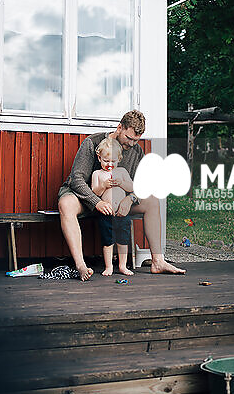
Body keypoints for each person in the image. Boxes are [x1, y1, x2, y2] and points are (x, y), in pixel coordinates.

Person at [57, 110, 186, 281]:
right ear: (119, 128)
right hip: (87, 197)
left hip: (117, 200)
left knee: (152, 201)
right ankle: (81, 266)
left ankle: (158, 261)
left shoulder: (136, 151)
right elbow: (77, 180)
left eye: (136, 140)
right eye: (129, 138)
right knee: (65, 204)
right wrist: (96, 202)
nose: (132, 144)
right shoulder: (92, 142)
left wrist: (130, 199)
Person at [91, 138, 133, 276]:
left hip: (122, 213)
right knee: (108, 241)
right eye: (106, 161)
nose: (110, 164)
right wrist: (103, 185)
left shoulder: (122, 172)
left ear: (119, 159)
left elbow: (132, 187)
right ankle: (108, 266)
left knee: (123, 241)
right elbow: (94, 193)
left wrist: (121, 183)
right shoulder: (97, 174)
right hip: (106, 214)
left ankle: (122, 266)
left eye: (113, 161)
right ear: (99, 158)